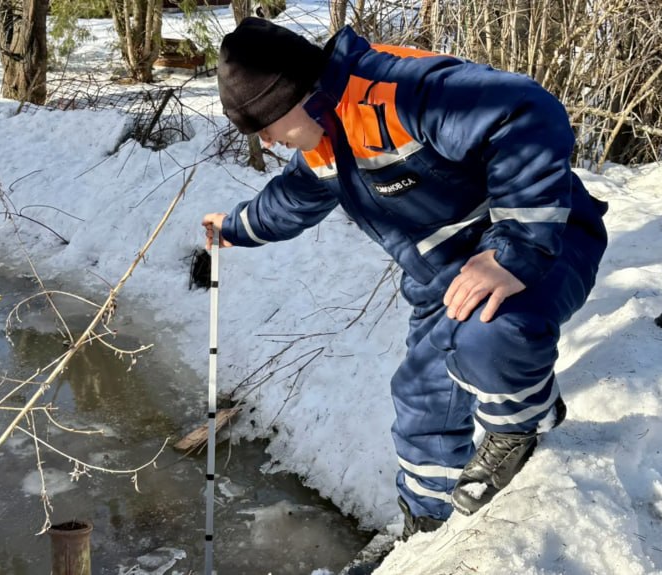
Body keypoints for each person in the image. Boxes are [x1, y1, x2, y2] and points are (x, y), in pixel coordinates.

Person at [202, 17, 608, 537]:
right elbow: (294, 198)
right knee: (422, 399)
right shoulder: (325, 139)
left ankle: (521, 423)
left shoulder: (398, 93)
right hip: (444, 275)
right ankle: (424, 525)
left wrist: (513, 251)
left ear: (292, 96)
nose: (268, 141)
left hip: (543, 242)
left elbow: (525, 111)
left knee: (488, 335)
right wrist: (234, 227)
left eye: (265, 126)